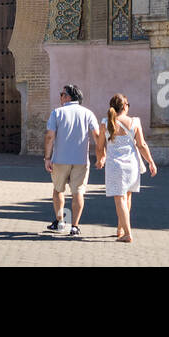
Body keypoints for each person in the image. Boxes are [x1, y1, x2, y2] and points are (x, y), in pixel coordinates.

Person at [43, 84, 105, 237]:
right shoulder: (88, 113)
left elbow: (50, 137)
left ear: (68, 96)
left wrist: (47, 158)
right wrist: (101, 155)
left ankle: (60, 221)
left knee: (58, 190)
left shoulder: (57, 113)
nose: (60, 97)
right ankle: (75, 226)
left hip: (60, 159)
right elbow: (97, 136)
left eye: (61, 94)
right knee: (78, 192)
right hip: (80, 160)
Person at [101, 93, 157, 243]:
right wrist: (150, 161)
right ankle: (120, 229)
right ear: (125, 106)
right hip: (132, 164)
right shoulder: (135, 122)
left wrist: (101, 157)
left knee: (120, 198)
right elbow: (142, 144)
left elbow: (100, 146)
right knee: (127, 197)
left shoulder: (106, 123)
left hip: (114, 165)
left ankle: (127, 233)